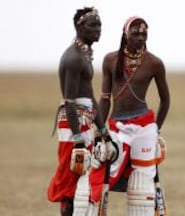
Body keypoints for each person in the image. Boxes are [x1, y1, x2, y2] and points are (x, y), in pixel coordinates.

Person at [89, 16, 170, 215]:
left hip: (144, 127)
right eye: (136, 33)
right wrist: (100, 130)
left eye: (144, 34)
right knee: (100, 169)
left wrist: (156, 129)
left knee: (142, 183)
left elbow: (165, 100)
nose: (140, 37)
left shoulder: (154, 63)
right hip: (117, 127)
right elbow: (105, 99)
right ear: (125, 35)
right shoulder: (110, 60)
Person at [47, 7, 118, 216]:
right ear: (79, 27)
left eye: (100, 25)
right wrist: (78, 139)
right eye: (93, 25)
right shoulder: (74, 58)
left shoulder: (84, 55)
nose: (98, 30)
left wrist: (103, 132)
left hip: (83, 118)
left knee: (82, 178)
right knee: (71, 177)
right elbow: (69, 101)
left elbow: (89, 98)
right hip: (72, 123)